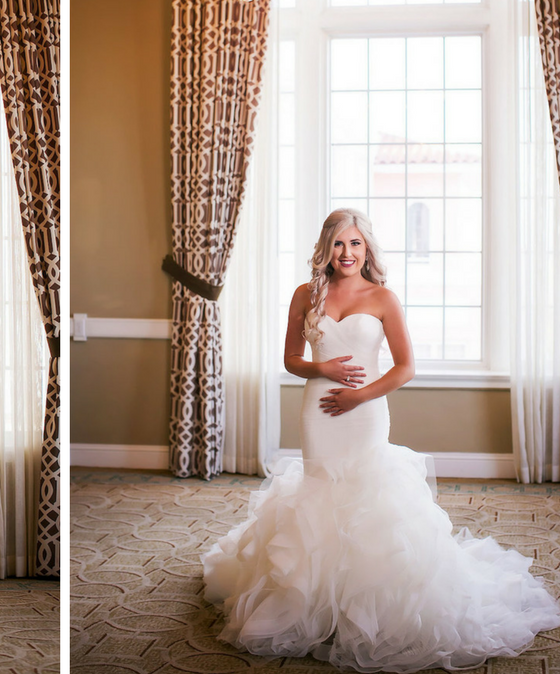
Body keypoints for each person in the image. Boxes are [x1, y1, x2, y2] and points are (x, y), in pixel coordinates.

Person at [202, 208, 560, 672]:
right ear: (325, 248)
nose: (346, 253)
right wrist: (323, 369)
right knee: (320, 494)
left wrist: (359, 396)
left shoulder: (383, 298)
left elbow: (405, 367)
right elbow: (291, 359)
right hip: (318, 411)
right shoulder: (304, 294)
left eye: (355, 244)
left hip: (365, 412)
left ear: (366, 248)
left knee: (367, 497)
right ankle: (316, 601)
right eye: (337, 243)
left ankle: (366, 604)